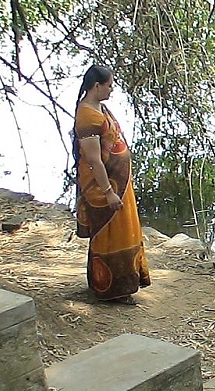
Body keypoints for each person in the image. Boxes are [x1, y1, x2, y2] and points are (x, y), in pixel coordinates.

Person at [73, 65, 151, 304]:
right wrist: (108, 192)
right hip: (104, 188)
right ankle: (109, 288)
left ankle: (126, 284)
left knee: (126, 231)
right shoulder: (86, 116)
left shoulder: (100, 108)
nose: (112, 89)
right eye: (109, 85)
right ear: (97, 86)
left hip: (120, 184)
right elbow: (94, 160)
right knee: (111, 235)